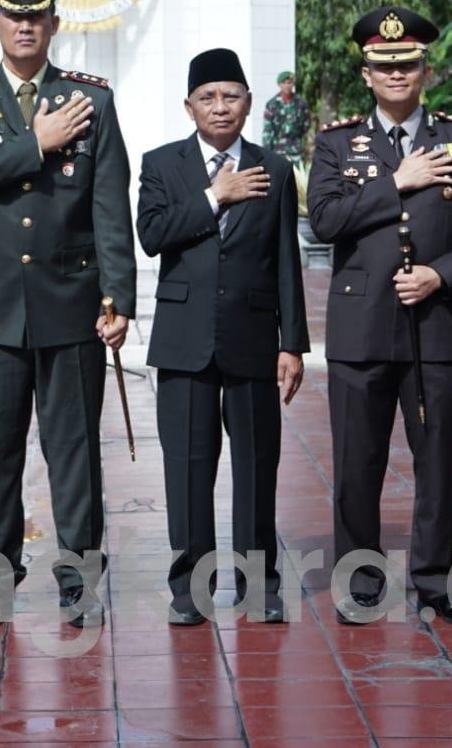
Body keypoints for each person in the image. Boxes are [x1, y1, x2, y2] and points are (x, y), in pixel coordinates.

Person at [0, 0, 136, 630]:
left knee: (73, 447)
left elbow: (111, 208)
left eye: (36, 14)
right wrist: (36, 142)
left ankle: (79, 575)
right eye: (12, 15)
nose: (25, 25)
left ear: (54, 21)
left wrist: (120, 299)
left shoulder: (90, 100)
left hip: (71, 297)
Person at [306, 7, 452, 627]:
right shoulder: (337, 143)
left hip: (439, 327)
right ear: (366, 73)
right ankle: (360, 581)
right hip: (361, 329)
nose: (397, 73)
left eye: (408, 63)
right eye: (383, 65)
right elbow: (324, 221)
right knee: (356, 465)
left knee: (440, 463)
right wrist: (398, 180)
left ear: (426, 69)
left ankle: (434, 583)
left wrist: (440, 274)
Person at [137, 48, 309, 626]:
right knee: (188, 464)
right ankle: (191, 586)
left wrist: (293, 344)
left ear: (249, 103)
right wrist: (217, 196)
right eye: (207, 97)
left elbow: (287, 260)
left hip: (255, 336)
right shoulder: (163, 165)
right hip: (184, 340)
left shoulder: (276, 168)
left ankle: (260, 582)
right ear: (189, 107)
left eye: (230, 96)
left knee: (258, 464)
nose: (220, 107)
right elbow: (153, 235)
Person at [262, 69, 310, 165]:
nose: (287, 86)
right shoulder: (272, 104)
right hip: (278, 150)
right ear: (279, 84)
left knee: (299, 178)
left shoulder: (301, 103)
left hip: (296, 149)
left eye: (290, 83)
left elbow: (306, 124)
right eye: (284, 83)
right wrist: (267, 152)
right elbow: (267, 130)